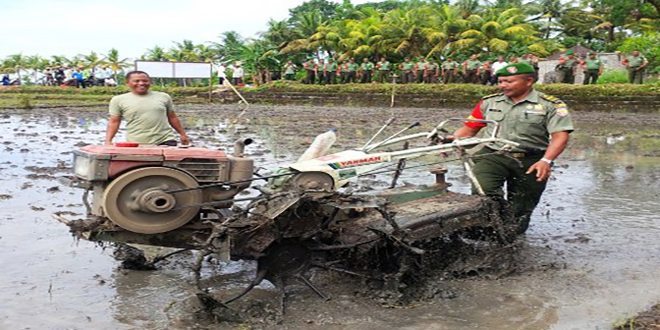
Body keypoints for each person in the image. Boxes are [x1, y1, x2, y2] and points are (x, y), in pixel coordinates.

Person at [451, 63, 574, 234]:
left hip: (531, 159)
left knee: (522, 206)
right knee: (484, 192)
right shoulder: (489, 103)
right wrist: (453, 140)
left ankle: (512, 237)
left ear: (529, 81)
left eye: (509, 81)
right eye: (500, 81)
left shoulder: (550, 105)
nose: (502, 85)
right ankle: (491, 227)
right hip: (493, 154)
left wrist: (546, 161)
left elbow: (560, 136)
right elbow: (469, 130)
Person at [105, 71, 190, 146]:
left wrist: (182, 134)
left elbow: (172, 117)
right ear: (127, 83)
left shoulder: (163, 97)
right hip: (136, 142)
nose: (141, 83)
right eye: (136, 81)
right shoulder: (118, 100)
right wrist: (108, 141)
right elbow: (114, 121)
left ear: (150, 82)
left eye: (145, 81)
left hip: (165, 140)